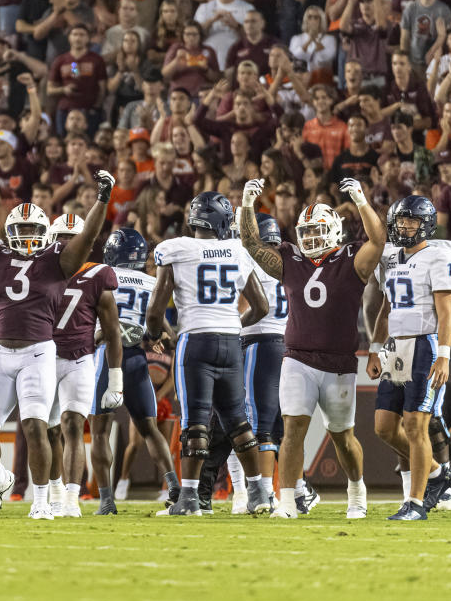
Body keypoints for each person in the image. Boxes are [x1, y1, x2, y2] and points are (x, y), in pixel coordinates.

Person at [0, 169, 113, 520]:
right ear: (9, 232)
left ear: (46, 233)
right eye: (22, 230)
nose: (28, 237)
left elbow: (88, 235)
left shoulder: (59, 259)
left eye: (34, 230)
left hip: (38, 352)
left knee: (35, 425)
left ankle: (42, 500)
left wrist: (103, 199)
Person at [240, 178, 384, 519]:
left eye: (317, 231)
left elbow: (378, 239)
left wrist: (361, 200)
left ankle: (356, 491)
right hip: (298, 358)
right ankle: (287, 501)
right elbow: (250, 242)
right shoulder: (292, 259)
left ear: (335, 231)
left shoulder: (351, 259)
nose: (310, 238)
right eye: (305, 232)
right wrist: (246, 204)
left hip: (338, 362)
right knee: (292, 431)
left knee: (343, 437)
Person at [148, 191, 271, 516]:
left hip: (196, 341)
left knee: (195, 422)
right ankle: (259, 491)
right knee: (237, 420)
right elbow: (261, 306)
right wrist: (233, 324)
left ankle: (189, 499)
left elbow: (154, 311)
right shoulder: (236, 250)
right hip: (231, 341)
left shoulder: (176, 248)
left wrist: (155, 335)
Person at [366, 196, 451, 520]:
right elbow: (385, 308)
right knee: (384, 427)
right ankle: (437, 472)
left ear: (427, 224)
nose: (405, 226)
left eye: (412, 221)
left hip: (424, 344)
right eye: (400, 221)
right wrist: (376, 347)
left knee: (416, 425)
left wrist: (444, 356)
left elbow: (446, 314)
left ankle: (415, 503)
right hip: (394, 347)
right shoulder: (389, 256)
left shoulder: (439, 256)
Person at [92, 228, 181, 513]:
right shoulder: (150, 281)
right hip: (137, 359)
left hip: (106, 357)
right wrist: (155, 339)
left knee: (100, 432)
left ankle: (107, 500)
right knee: (150, 429)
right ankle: (175, 488)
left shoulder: (102, 275)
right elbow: (166, 335)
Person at [45, 214, 124, 517]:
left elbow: (113, 330)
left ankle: (71, 498)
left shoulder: (98, 275)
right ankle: (53, 491)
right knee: (47, 430)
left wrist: (116, 379)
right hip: (42, 358)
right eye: (60, 237)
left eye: (71, 236)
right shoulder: (40, 272)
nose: (65, 243)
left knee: (73, 425)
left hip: (80, 359)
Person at [232, 210, 287, 511]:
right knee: (280, 425)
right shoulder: (286, 265)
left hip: (259, 342)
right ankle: (295, 489)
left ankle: (264, 491)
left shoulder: (252, 263)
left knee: (256, 424)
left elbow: (243, 308)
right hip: (287, 345)